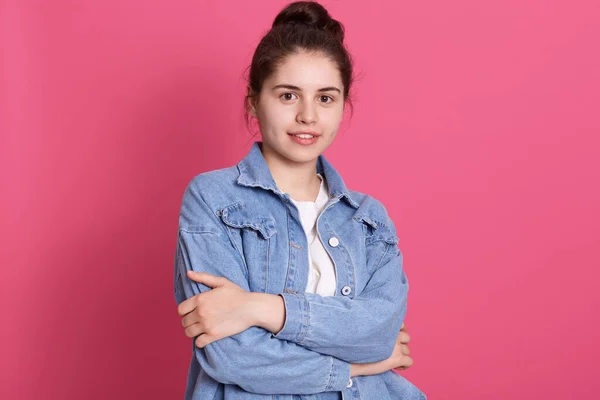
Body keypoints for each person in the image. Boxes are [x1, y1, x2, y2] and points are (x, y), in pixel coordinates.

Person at [174, 1, 426, 399]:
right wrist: (359, 365)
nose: (308, 116)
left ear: (344, 105)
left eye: (325, 98)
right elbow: (231, 356)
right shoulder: (213, 199)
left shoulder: (367, 219)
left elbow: (379, 333)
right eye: (288, 95)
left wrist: (260, 308)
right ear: (253, 101)